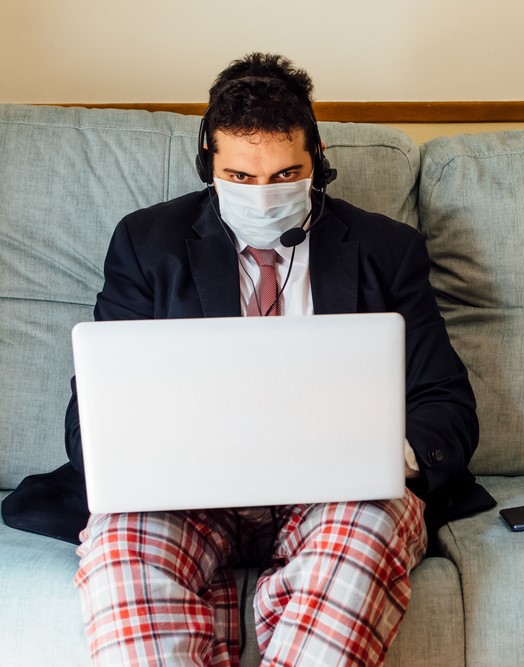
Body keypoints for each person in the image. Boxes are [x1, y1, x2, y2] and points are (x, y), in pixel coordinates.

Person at [1, 52, 494, 666]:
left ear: (318, 161)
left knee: (363, 536)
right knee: (121, 549)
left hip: (336, 495)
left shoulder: (385, 250)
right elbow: (94, 414)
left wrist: (379, 457)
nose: (264, 197)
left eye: (286, 175)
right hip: (182, 496)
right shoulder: (146, 242)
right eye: (240, 178)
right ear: (208, 164)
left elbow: (445, 405)